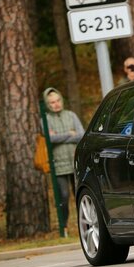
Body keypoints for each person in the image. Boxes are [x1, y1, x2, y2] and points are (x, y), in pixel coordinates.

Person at [43, 88, 85, 230]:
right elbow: (50, 138)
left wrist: (60, 136)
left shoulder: (71, 115)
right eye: (52, 102)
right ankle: (64, 226)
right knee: (64, 196)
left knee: (79, 194)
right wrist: (69, 134)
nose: (56, 104)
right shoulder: (45, 119)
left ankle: (84, 224)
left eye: (58, 100)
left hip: (74, 161)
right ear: (48, 104)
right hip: (58, 164)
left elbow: (81, 134)